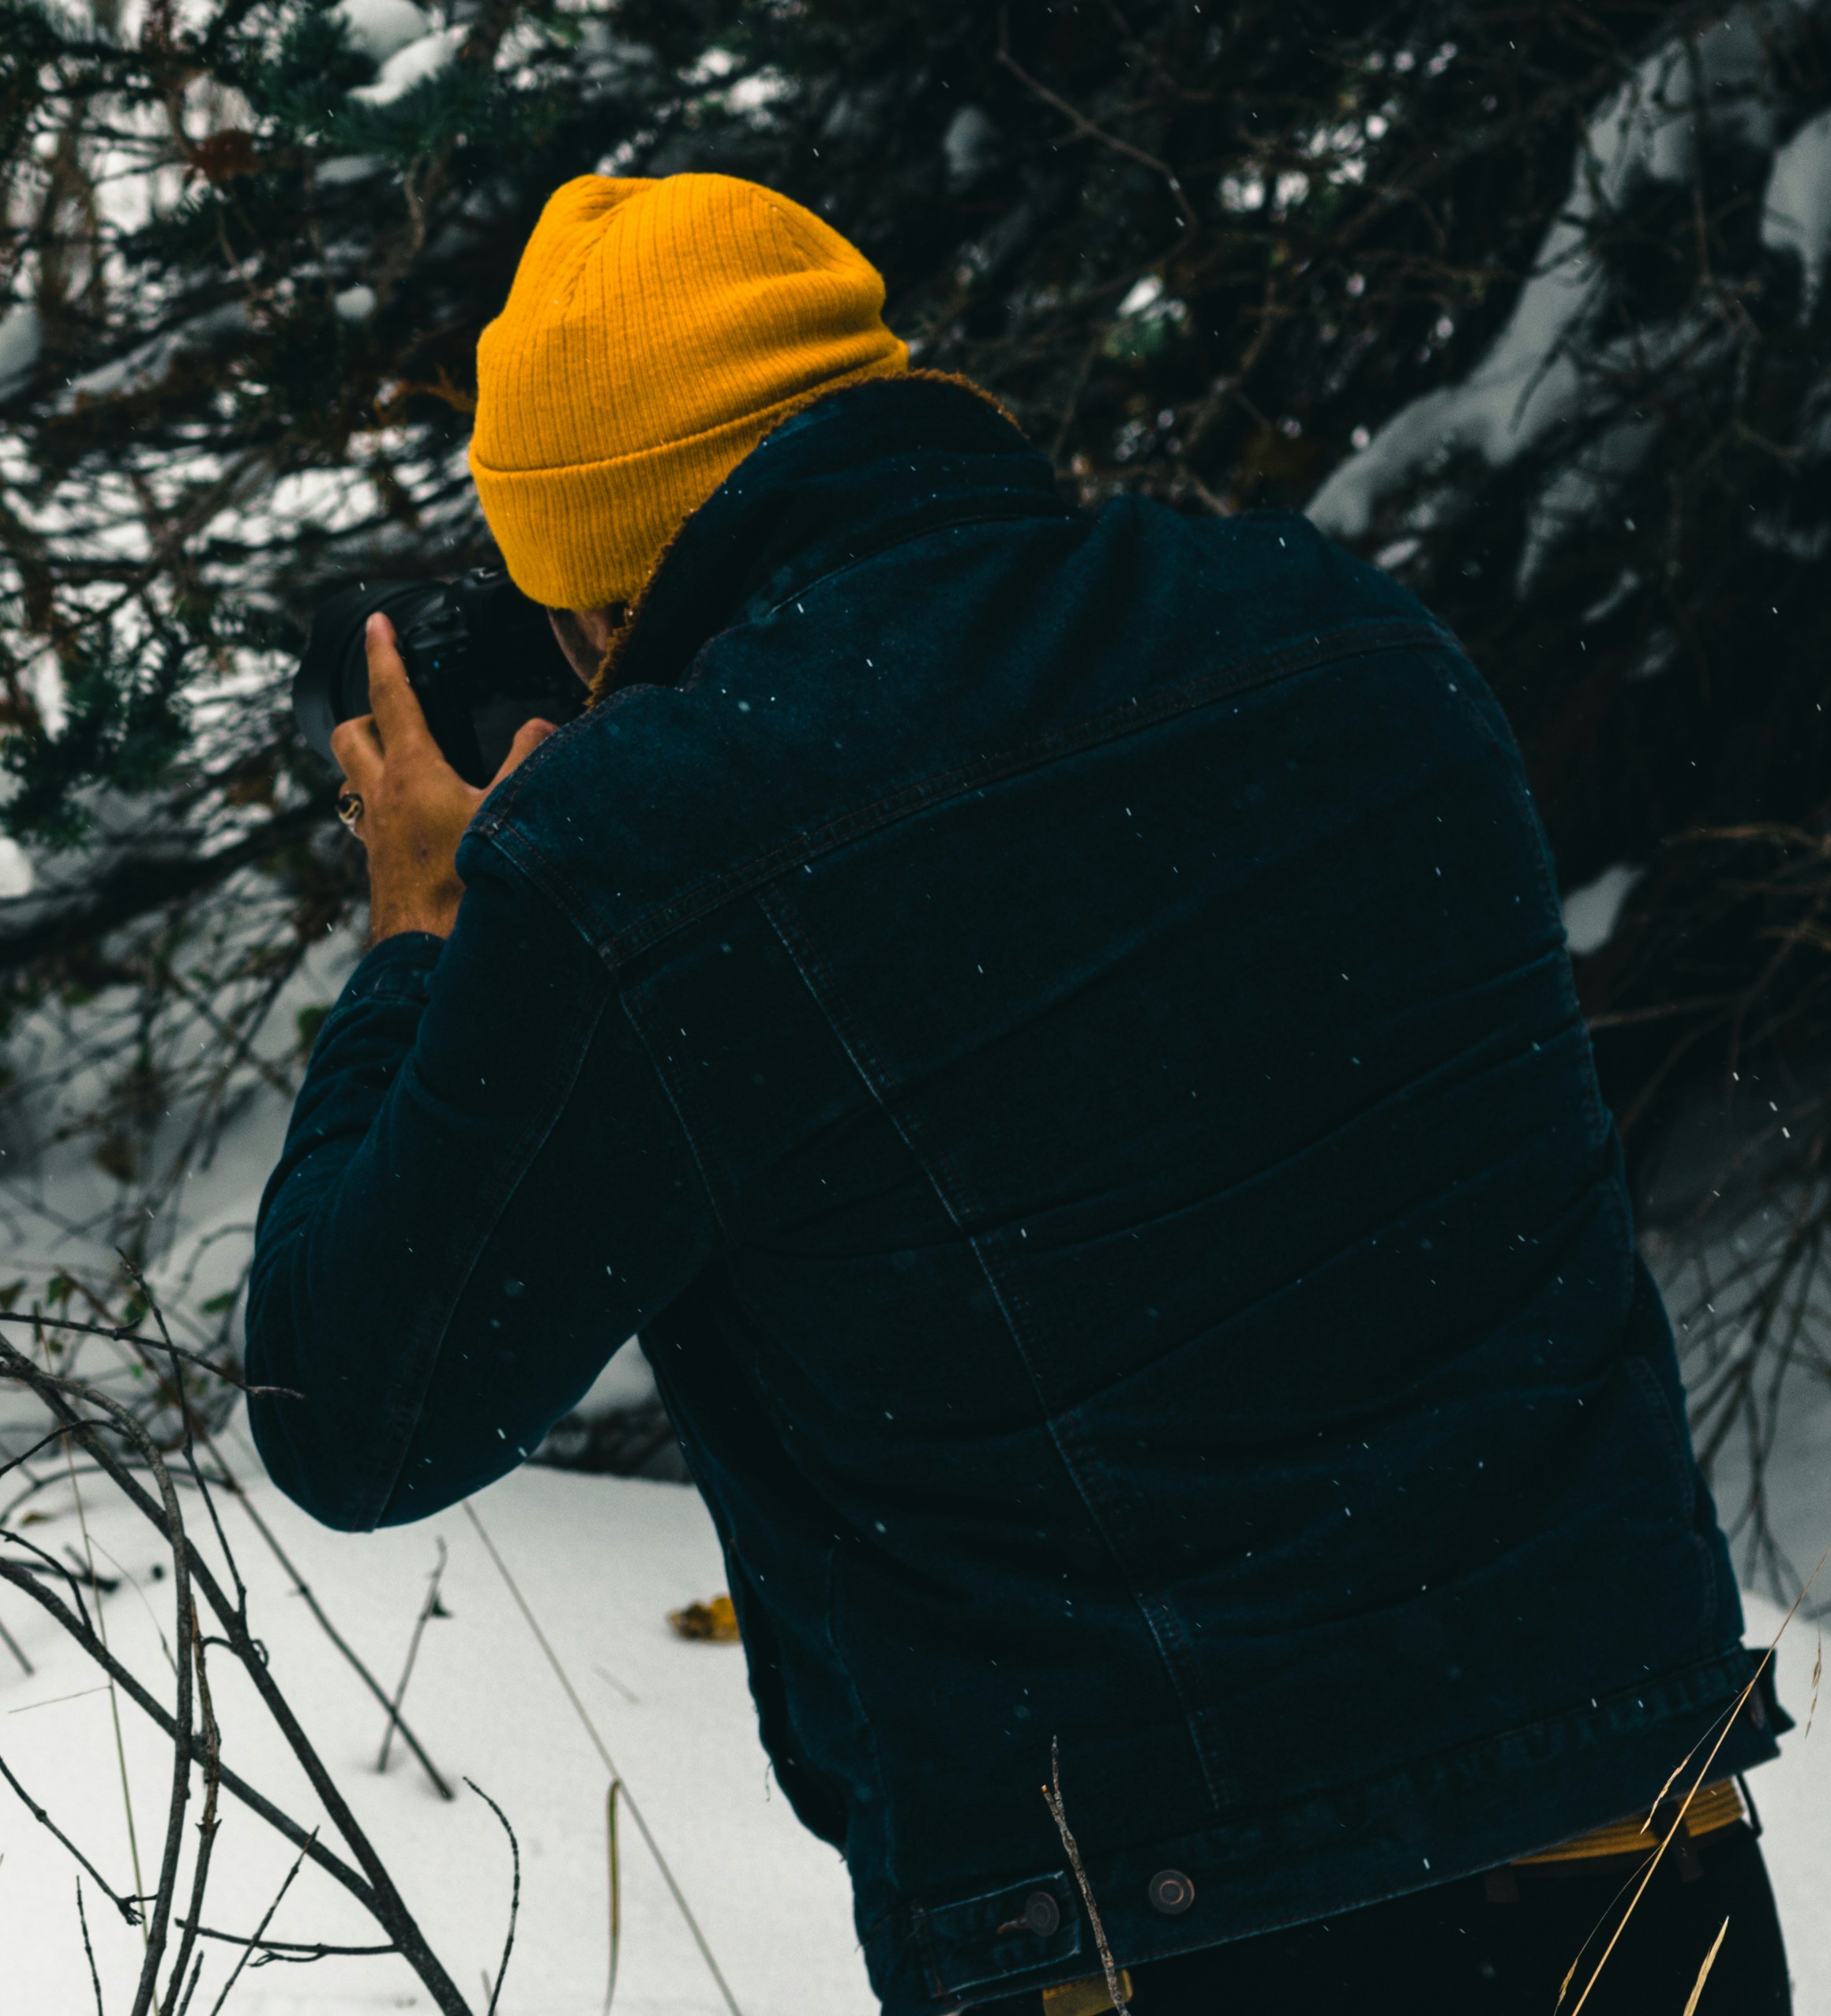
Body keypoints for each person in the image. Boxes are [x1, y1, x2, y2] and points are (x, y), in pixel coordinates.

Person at [235, 170, 1793, 2014]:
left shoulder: (658, 854)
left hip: (1153, 1921)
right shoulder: (1350, 637)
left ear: (604, 584)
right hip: (1633, 1834)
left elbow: (350, 1407)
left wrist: (428, 939)